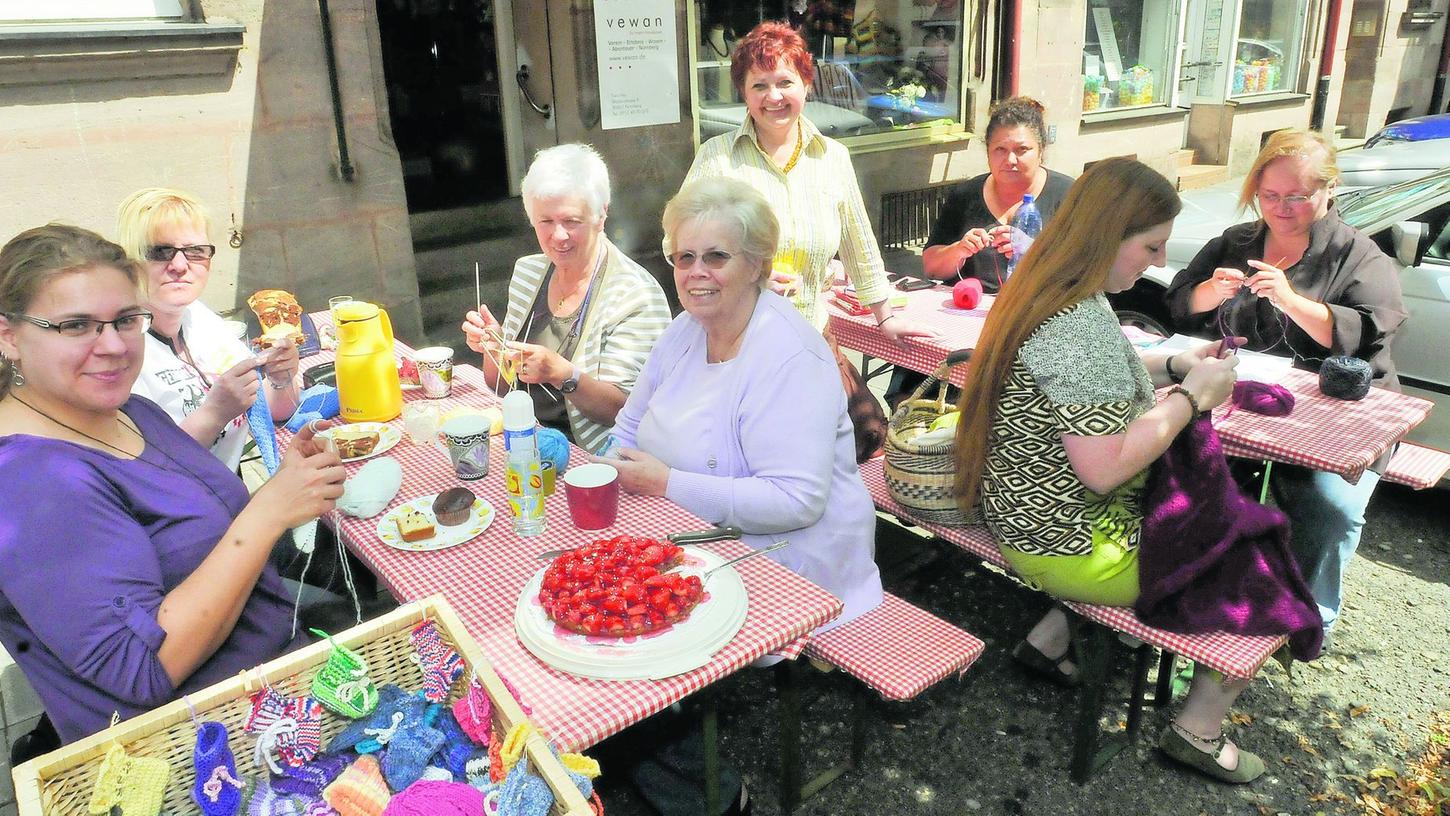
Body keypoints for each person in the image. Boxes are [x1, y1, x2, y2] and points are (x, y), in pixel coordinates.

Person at [952, 158, 1265, 783]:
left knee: (1208, 517)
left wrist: (1174, 365)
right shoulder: (1077, 326)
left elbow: (1092, 382)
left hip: (1023, 514)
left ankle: (1050, 640)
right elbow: (1104, 469)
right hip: (1070, 545)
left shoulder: (1052, 289)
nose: (1157, 261)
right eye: (1150, 246)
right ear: (1106, 234)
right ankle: (1197, 729)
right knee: (1256, 558)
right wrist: (1191, 398)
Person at [0, 224, 346, 744]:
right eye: (76, 325)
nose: (113, 346)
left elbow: (198, 532)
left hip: (275, 684)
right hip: (212, 749)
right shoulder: (30, 483)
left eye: (125, 320)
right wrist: (269, 511)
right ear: (8, 336)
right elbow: (143, 671)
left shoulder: (127, 410)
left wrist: (287, 485)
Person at [602, 176, 882, 816]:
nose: (695, 273)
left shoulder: (791, 358)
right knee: (603, 597)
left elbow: (796, 504)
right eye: (682, 257)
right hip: (689, 526)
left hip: (793, 559)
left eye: (716, 256)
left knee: (642, 628)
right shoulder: (683, 332)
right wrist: (617, 473)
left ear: (757, 263)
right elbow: (628, 425)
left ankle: (694, 782)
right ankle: (637, 743)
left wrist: (665, 484)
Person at [1165, 129, 1407, 634]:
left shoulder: (1359, 255)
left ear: (1329, 189)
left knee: (1331, 509)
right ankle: (1191, 592)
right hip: (1247, 403)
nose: (1281, 208)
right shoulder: (1236, 242)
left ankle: (1306, 616)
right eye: (1269, 196)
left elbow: (1366, 333)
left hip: (1338, 414)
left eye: (1296, 196)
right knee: (1178, 476)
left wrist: (1293, 301)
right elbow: (1179, 303)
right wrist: (1209, 291)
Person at [681, 21, 933, 461]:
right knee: (762, 458)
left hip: (812, 339)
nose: (773, 96)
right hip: (739, 346)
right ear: (743, 91)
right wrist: (744, 276)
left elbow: (858, 241)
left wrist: (885, 315)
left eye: (785, 82)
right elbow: (680, 246)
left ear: (806, 84)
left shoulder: (831, 157)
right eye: (759, 84)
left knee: (866, 436)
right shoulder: (718, 158)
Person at [461, 143, 670, 454]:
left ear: (602, 215)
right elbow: (501, 386)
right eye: (546, 221)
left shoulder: (635, 293)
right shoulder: (528, 272)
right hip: (521, 437)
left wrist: (562, 374)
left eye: (572, 221)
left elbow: (626, 412)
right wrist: (495, 347)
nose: (558, 235)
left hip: (594, 458)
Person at [116, 188, 302, 472]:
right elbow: (148, 470)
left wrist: (281, 378)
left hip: (227, 492)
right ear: (131, 262)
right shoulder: (118, 349)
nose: (180, 265)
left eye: (195, 251)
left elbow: (272, 411)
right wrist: (215, 413)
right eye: (160, 251)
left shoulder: (199, 318)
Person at [921, 96, 1074, 292]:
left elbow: (1090, 271)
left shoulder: (1070, 195)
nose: (1010, 159)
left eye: (1022, 149)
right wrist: (959, 250)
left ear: (1041, 150)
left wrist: (1032, 252)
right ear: (988, 152)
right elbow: (931, 269)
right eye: (1000, 149)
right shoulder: (965, 195)